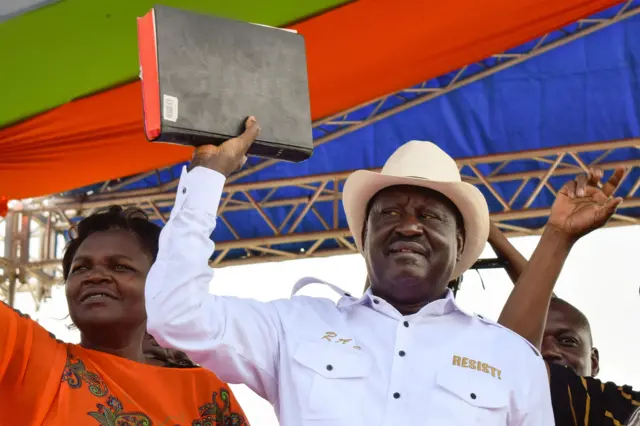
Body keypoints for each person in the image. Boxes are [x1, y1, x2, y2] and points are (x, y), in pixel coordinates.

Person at [146, 117, 554, 425]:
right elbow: (176, 315)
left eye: (430, 216)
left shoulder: (512, 358)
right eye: (391, 212)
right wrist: (207, 176)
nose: (409, 225)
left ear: (461, 245)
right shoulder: (297, 325)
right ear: (365, 235)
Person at [0, 206, 248, 425]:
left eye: (120, 266)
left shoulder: (205, 394)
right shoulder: (34, 360)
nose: (94, 276)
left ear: (158, 287)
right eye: (81, 268)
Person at [486, 169, 640, 426]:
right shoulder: (611, 408)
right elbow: (517, 359)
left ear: (594, 361)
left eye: (567, 341)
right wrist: (556, 235)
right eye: (536, 341)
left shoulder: (614, 411)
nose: (547, 351)